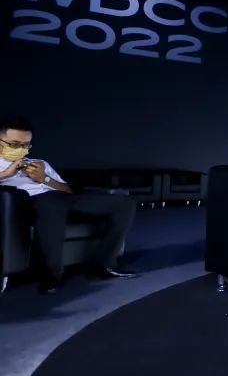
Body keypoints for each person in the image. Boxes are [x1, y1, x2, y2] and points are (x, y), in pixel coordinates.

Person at [0, 115, 138, 294]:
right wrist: (6, 174)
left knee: (124, 203)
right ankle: (51, 275)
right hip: (28, 205)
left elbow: (67, 190)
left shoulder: (39, 164)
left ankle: (104, 264)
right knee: (50, 204)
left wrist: (45, 178)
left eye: (26, 145)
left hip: (62, 199)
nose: (21, 149)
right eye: (15, 144)